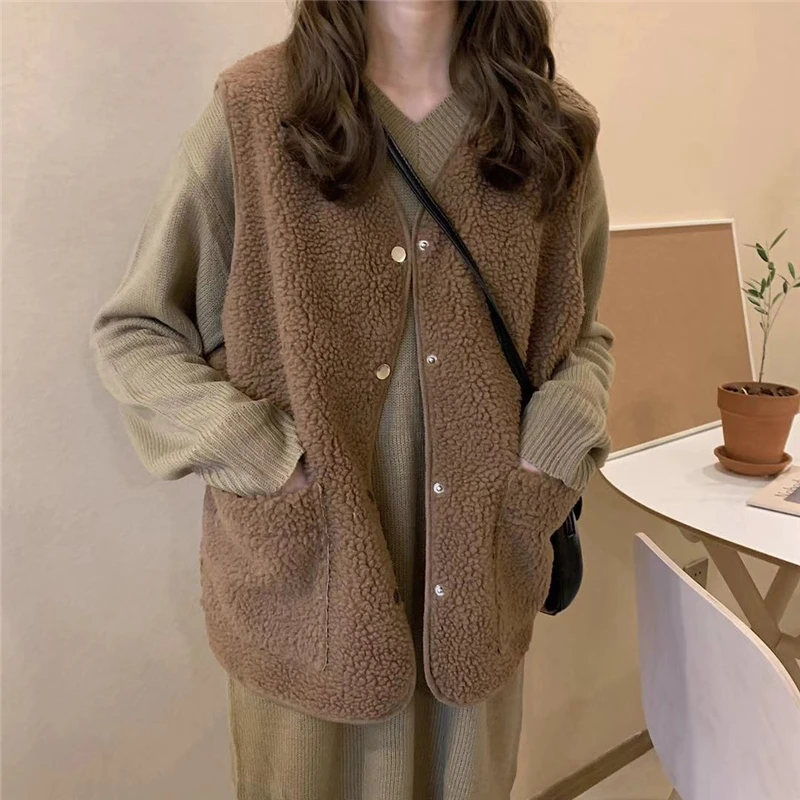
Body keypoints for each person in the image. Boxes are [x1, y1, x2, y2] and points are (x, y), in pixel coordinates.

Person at [90, 1, 615, 798]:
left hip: (482, 584)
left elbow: (582, 340)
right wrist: (266, 459)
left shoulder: (550, 131)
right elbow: (136, 332)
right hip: (302, 600)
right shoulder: (256, 111)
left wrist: (550, 453)